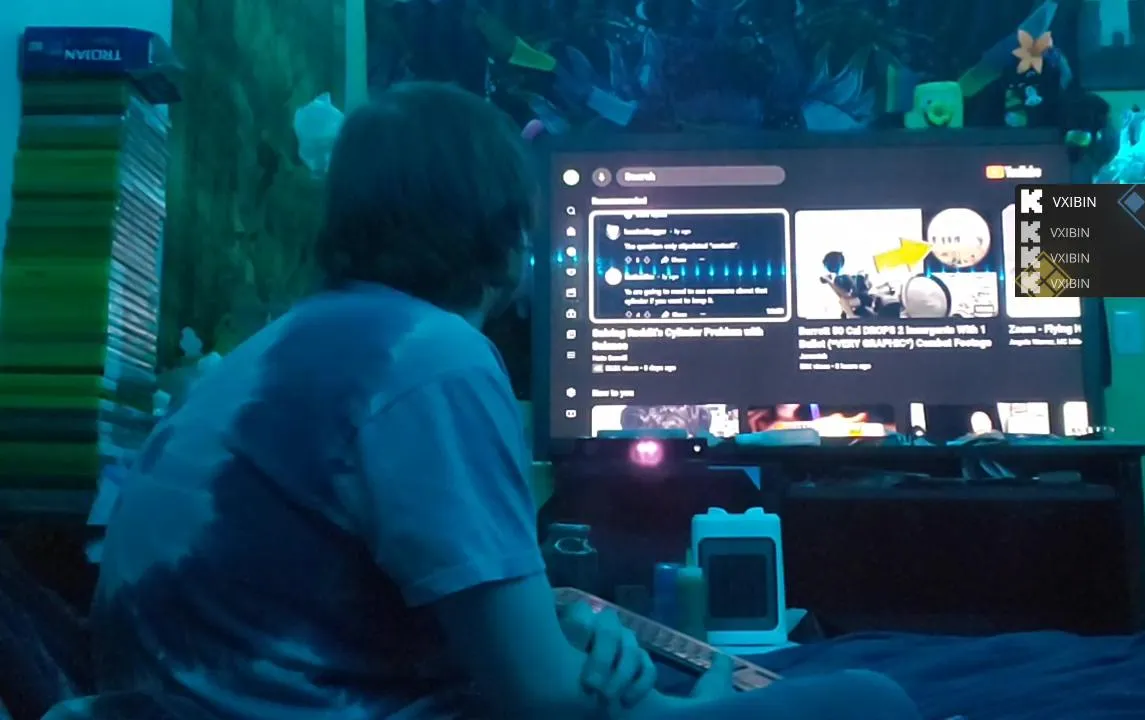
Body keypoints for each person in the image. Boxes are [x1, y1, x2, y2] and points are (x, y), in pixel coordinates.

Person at [76, 82, 921, 720]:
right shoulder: (433, 357)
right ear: (505, 229)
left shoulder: (286, 345)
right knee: (872, 698)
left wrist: (565, 627)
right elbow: (544, 700)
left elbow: (389, 599)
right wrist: (686, 697)